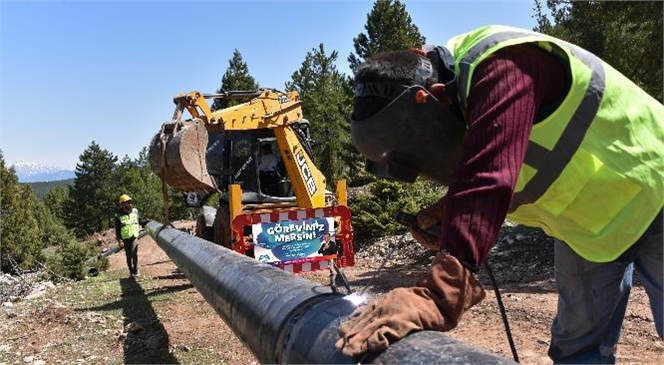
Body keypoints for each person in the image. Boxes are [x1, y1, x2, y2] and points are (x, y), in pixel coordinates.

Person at [336, 24, 663, 364]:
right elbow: (510, 162)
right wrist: (454, 209)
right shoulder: (464, 103)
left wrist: (439, 291)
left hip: (656, 188)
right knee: (576, 351)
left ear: (432, 96)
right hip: (589, 229)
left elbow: (490, 174)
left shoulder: (502, 64)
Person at [114, 194, 145, 278]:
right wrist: (119, 240)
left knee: (134, 253)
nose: (130, 204)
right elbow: (117, 229)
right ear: (122, 204)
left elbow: (139, 220)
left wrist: (146, 222)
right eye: (127, 202)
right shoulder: (118, 216)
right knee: (128, 255)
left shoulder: (135, 211)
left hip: (134, 236)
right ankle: (131, 271)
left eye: (130, 202)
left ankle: (136, 269)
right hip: (125, 238)